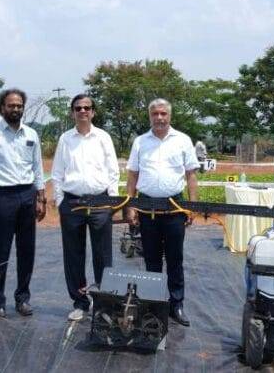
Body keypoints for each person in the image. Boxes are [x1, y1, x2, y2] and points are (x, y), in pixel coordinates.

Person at [125, 98, 199, 327]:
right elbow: (132, 176)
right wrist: (131, 205)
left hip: (175, 207)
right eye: (155, 113)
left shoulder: (183, 141)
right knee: (151, 258)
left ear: (170, 116)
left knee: (175, 258)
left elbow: (191, 175)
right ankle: (153, 303)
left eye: (163, 113)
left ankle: (176, 303)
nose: (159, 117)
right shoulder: (140, 142)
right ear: (150, 116)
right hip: (147, 208)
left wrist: (192, 206)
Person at [0, 88, 46, 318]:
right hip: (3, 197)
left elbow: (37, 168)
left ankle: (22, 299)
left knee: (27, 250)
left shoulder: (31, 134)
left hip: (27, 195)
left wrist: (40, 198)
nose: (15, 109)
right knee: (1, 252)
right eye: (11, 105)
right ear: (2, 108)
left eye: (19, 106)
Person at [52, 94, 119, 321]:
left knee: (103, 255)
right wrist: (60, 200)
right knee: (74, 254)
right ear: (72, 112)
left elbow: (113, 171)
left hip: (100, 202)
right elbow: (57, 172)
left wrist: (112, 201)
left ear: (93, 112)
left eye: (87, 108)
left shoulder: (103, 137)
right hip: (72, 203)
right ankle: (80, 302)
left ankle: (103, 304)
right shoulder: (65, 139)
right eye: (78, 108)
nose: (83, 111)